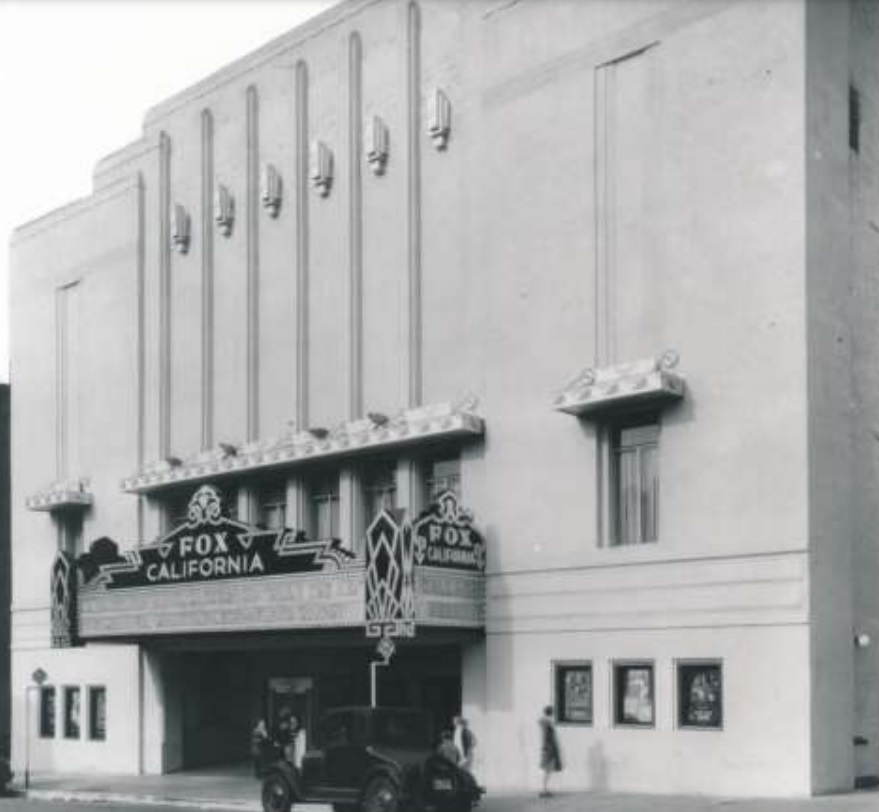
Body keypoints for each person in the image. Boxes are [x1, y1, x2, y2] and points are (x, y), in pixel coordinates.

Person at [538, 705, 562, 798]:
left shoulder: (546, 722)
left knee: (547, 770)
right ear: (551, 712)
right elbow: (546, 736)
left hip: (548, 748)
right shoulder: (547, 723)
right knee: (547, 770)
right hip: (549, 749)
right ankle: (544, 790)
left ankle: (545, 789)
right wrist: (545, 747)